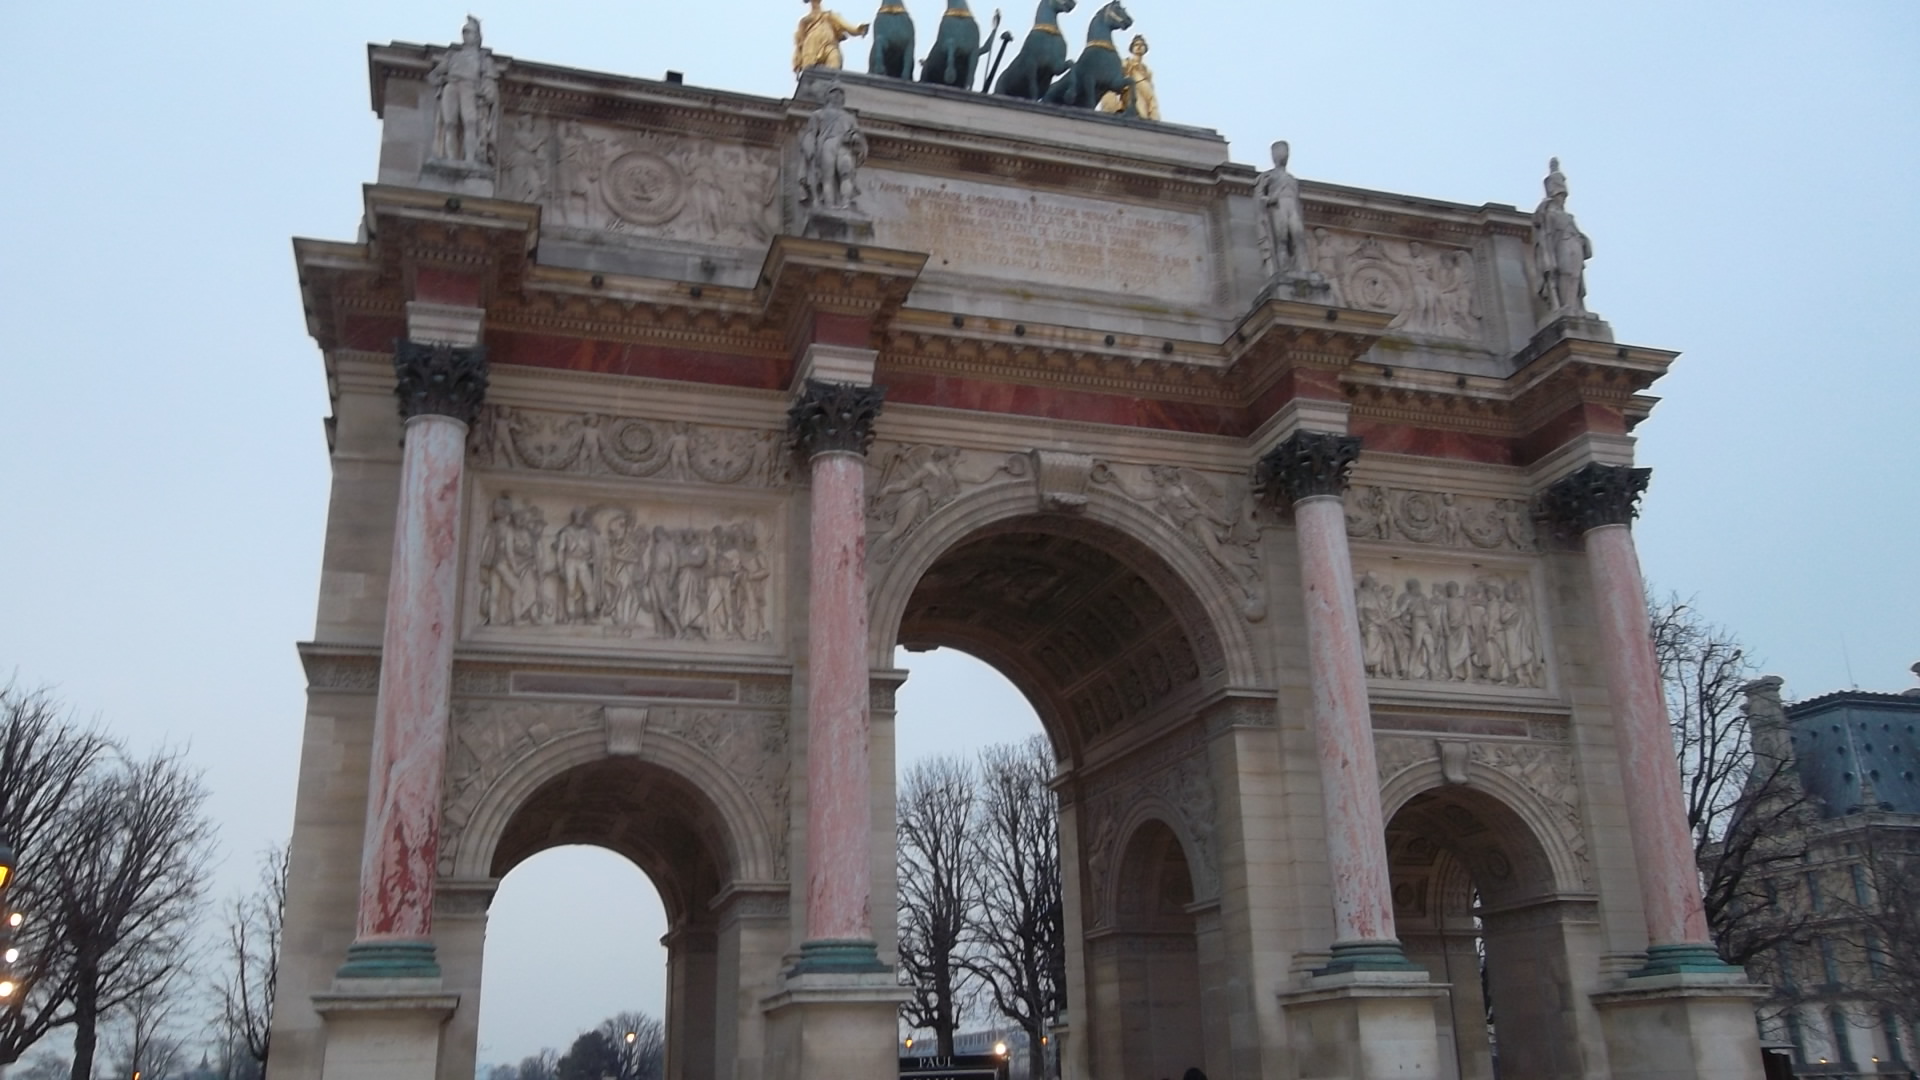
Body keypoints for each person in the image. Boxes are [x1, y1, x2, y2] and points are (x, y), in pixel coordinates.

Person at [1254, 141, 1308, 279]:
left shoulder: (1292, 179)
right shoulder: (1268, 176)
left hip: (1292, 207)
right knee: (1281, 238)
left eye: (1285, 151)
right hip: (1278, 207)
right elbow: (1259, 196)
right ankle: (1283, 270)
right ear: (1273, 155)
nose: (1283, 154)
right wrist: (1267, 200)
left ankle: (1304, 270)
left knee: (1298, 237)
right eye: (1280, 151)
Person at [794, 0, 870, 73]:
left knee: (834, 69)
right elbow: (799, 43)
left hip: (830, 46)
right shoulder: (804, 21)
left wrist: (859, 30)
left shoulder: (830, 15)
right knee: (810, 75)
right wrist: (797, 61)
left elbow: (847, 27)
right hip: (811, 49)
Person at [1097, 35, 1161, 120]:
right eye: (1136, 45)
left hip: (1146, 95)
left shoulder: (1147, 71)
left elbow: (1150, 92)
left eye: (1142, 45)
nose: (1139, 47)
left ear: (1145, 49)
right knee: (1141, 113)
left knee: (1147, 112)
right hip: (1132, 94)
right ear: (1132, 49)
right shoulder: (1127, 63)